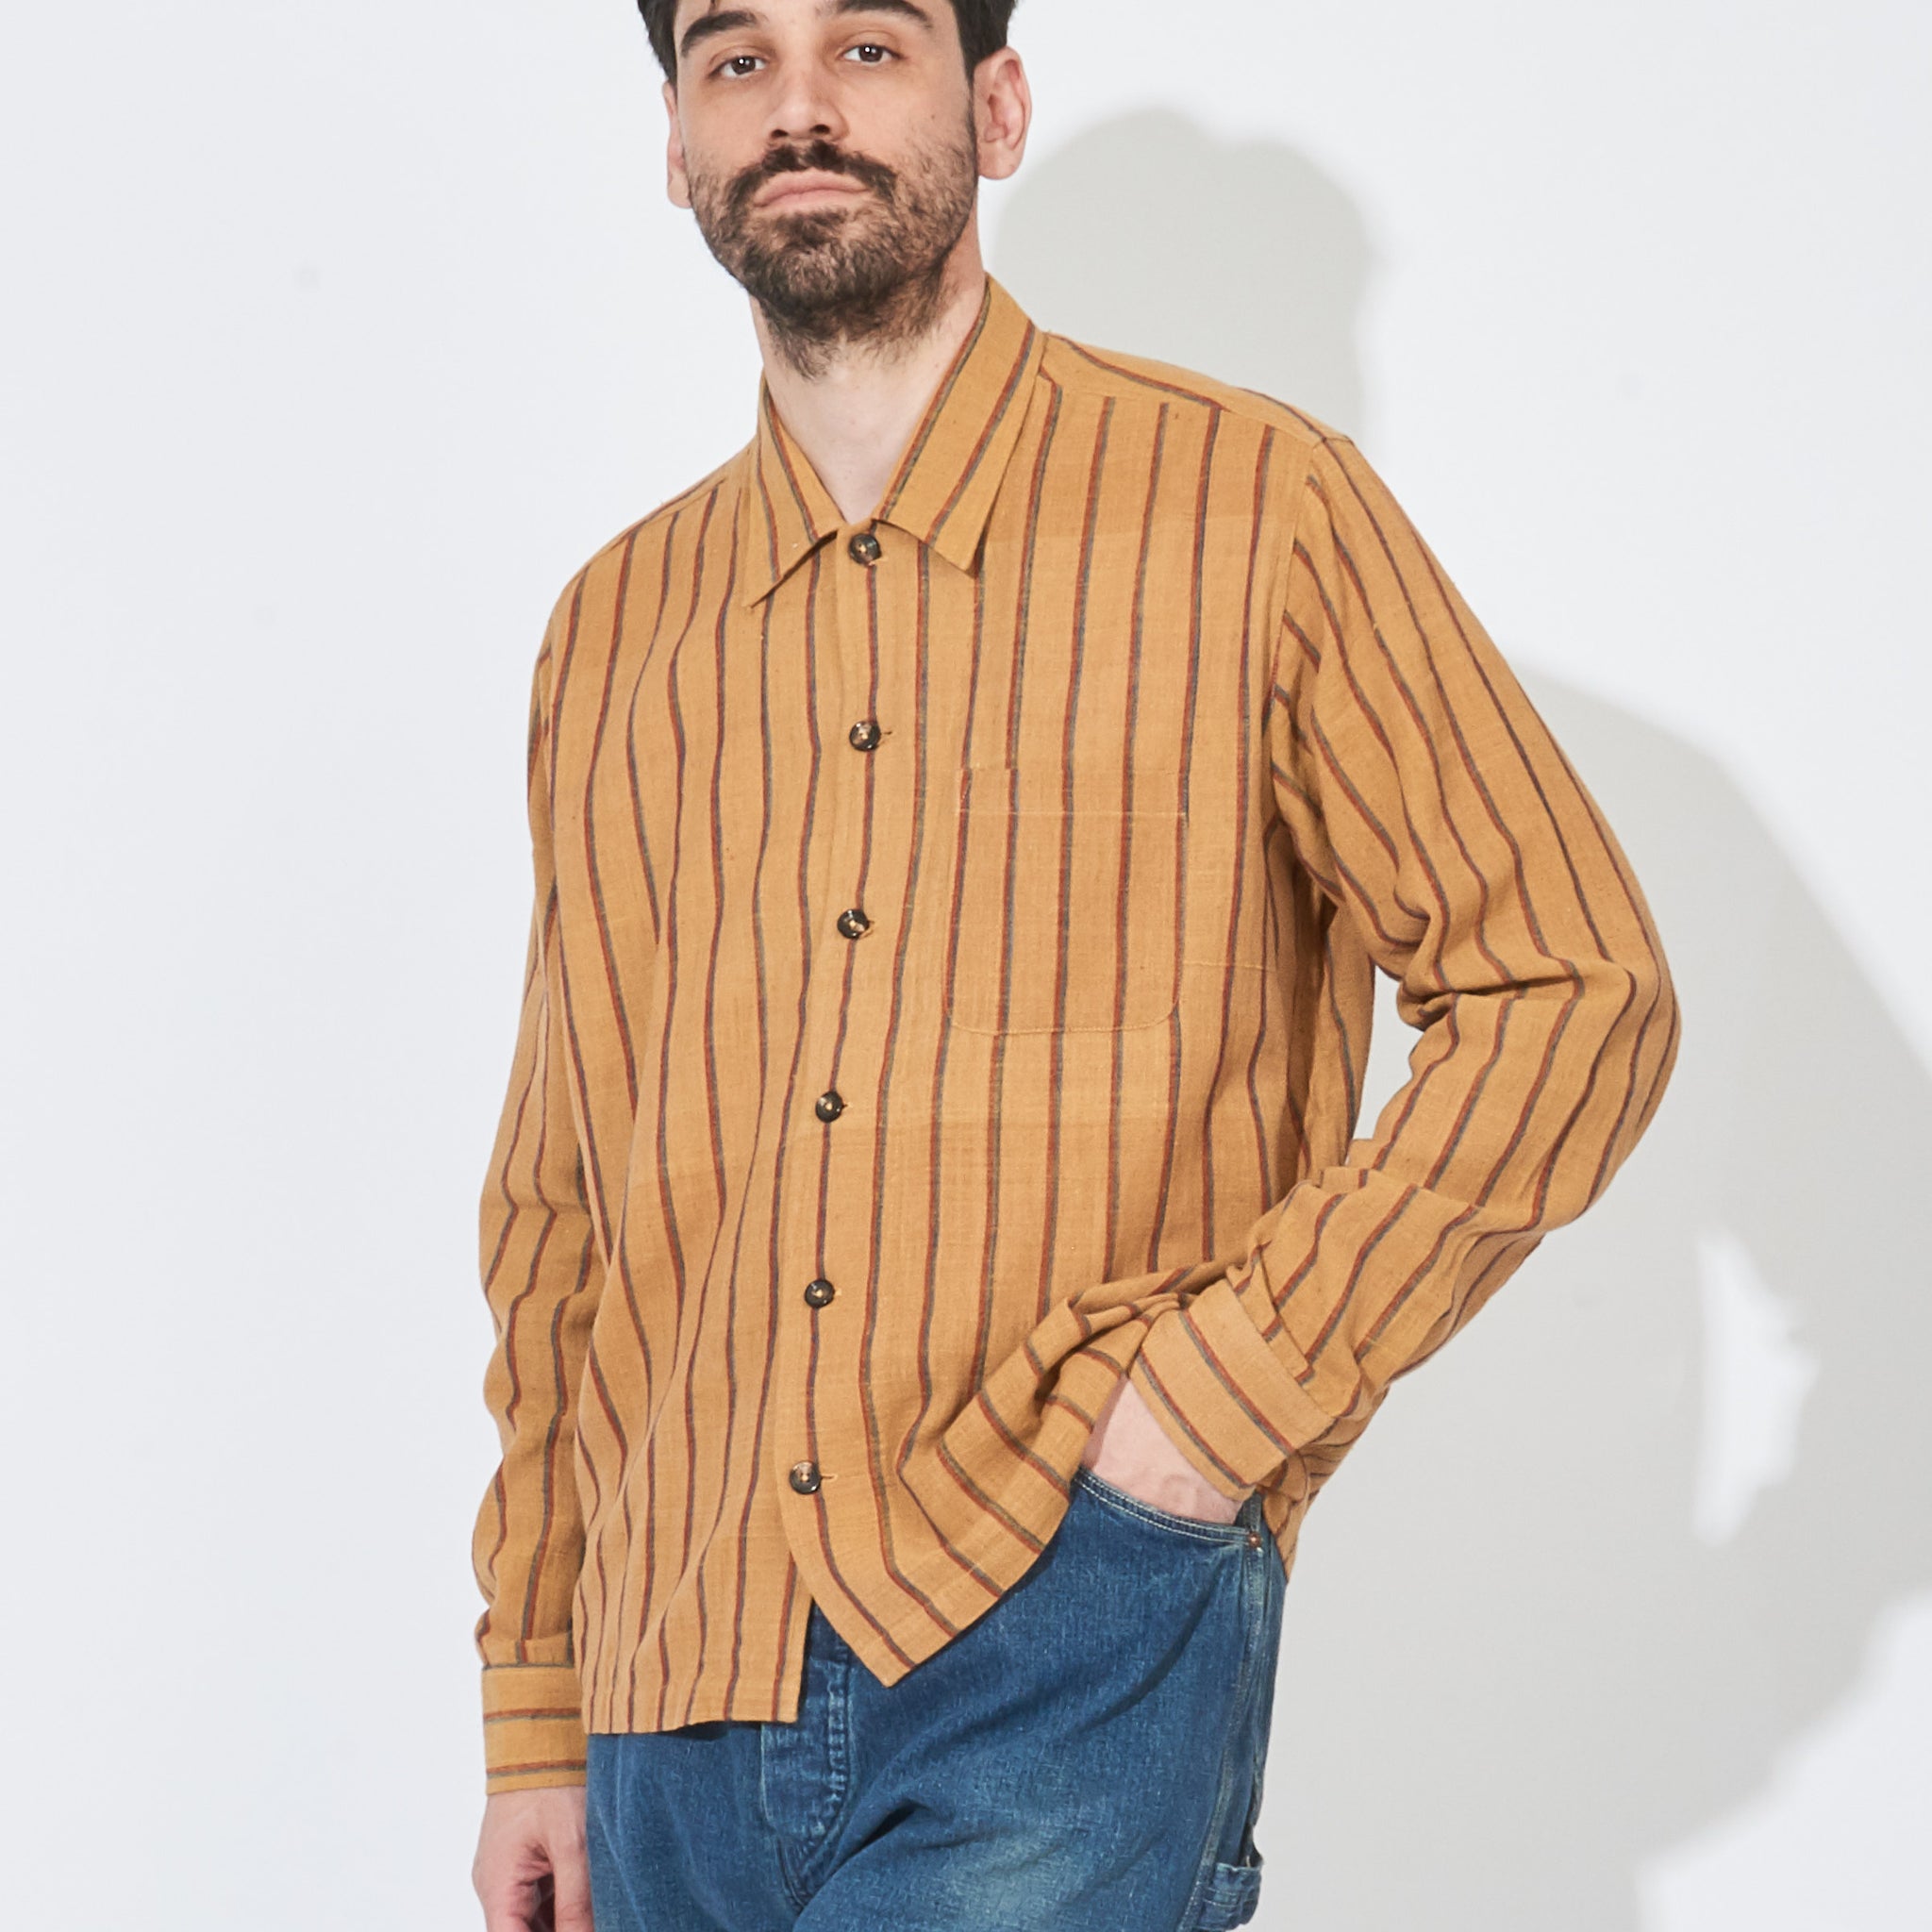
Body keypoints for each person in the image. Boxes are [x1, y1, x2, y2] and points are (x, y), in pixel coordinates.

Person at [468, 2, 1681, 1927]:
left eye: (868, 48)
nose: (799, 107)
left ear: (998, 106)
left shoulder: (1259, 506)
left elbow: (1572, 990)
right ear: (678, 148)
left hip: (1060, 1622)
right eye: (734, 60)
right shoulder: (614, 629)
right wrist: (537, 1699)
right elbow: (563, 1200)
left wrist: (1214, 1407)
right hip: (666, 1683)